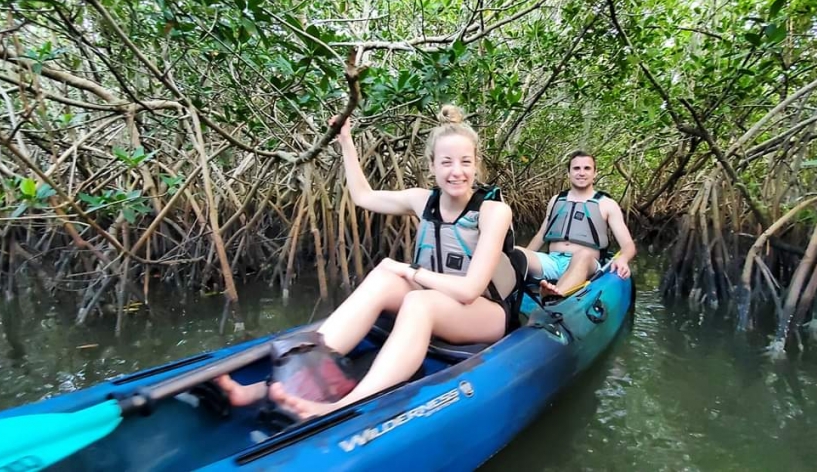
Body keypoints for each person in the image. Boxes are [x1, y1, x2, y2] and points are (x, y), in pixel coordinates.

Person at [214, 106, 519, 420]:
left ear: (476, 164)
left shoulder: (493, 211)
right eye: (447, 162)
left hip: (484, 312)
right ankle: (272, 386)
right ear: (431, 166)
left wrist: (408, 270)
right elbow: (363, 196)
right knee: (384, 280)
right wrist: (345, 141)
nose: (457, 171)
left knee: (418, 300)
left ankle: (342, 405)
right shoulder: (421, 200)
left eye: (466, 162)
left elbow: (470, 290)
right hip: (437, 298)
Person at [519, 151, 636, 298]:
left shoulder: (607, 204)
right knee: (517, 251)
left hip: (585, 263)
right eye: (576, 168)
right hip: (552, 260)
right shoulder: (556, 200)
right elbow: (541, 235)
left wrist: (623, 259)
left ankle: (555, 295)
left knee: (584, 255)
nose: (581, 173)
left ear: (595, 173)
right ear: (568, 173)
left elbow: (628, 245)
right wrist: (523, 259)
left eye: (587, 168)